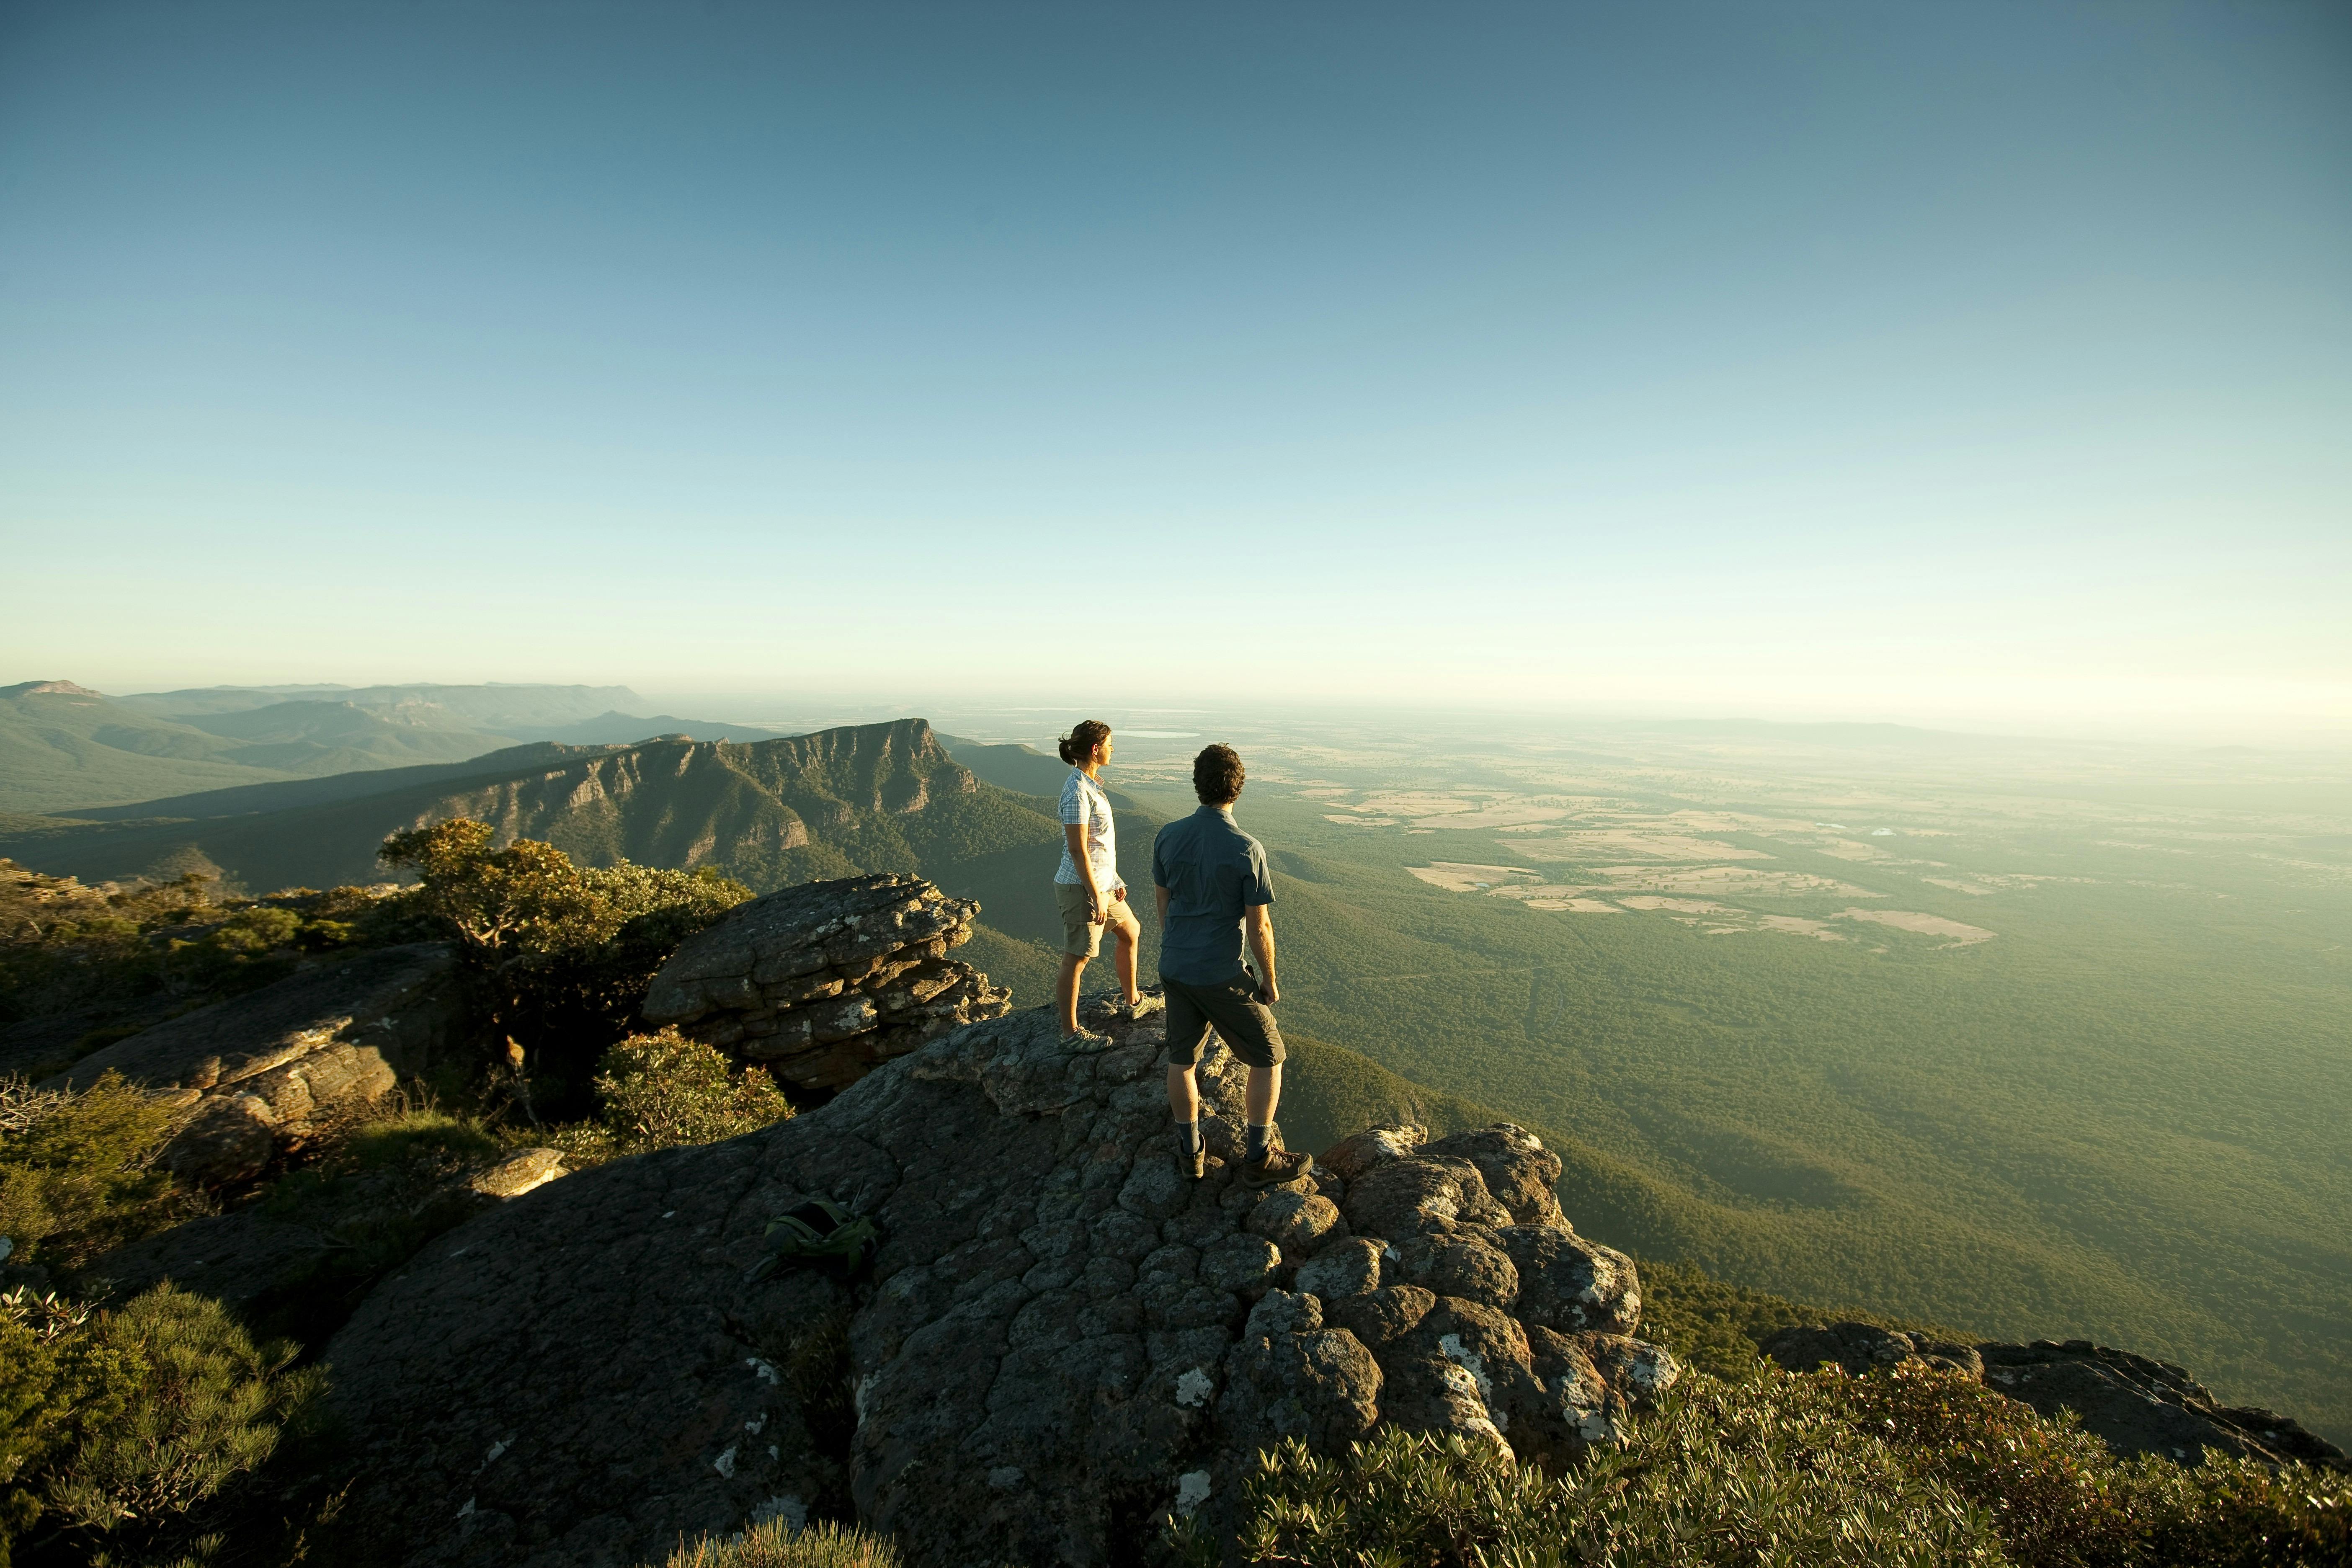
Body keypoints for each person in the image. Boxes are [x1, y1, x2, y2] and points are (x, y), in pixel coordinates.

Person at [1152, 743, 1312, 1188]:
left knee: (1182, 1060)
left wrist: (1176, 946)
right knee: (1269, 1055)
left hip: (1175, 965)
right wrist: (1269, 981)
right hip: (1220, 972)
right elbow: (1260, 928)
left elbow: (1163, 902)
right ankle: (1260, 1157)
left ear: (1198, 785)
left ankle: (1191, 1154)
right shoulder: (1246, 849)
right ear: (1238, 788)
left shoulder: (1168, 835)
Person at [1054, 719, 1144, 1044]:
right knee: (1077, 959)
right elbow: (1078, 850)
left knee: (1131, 931)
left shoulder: (1092, 785)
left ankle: (1132, 1001)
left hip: (1103, 885)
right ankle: (1070, 1034)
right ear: (1096, 749)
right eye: (1110, 744)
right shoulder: (1076, 790)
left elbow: (1098, 844)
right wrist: (1095, 893)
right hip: (1082, 888)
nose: (1113, 749)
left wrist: (1113, 879)